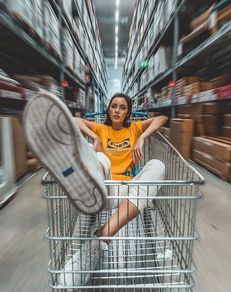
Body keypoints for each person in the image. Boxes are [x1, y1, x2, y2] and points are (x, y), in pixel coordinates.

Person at [23, 92, 168, 287]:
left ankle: (103, 235)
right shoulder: (101, 128)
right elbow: (74, 119)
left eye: (122, 107)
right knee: (102, 158)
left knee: (158, 166)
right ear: (108, 109)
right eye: (114, 106)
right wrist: (95, 137)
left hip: (128, 190)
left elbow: (162, 118)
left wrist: (142, 137)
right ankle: (85, 176)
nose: (117, 110)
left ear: (128, 112)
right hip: (103, 189)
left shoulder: (134, 128)